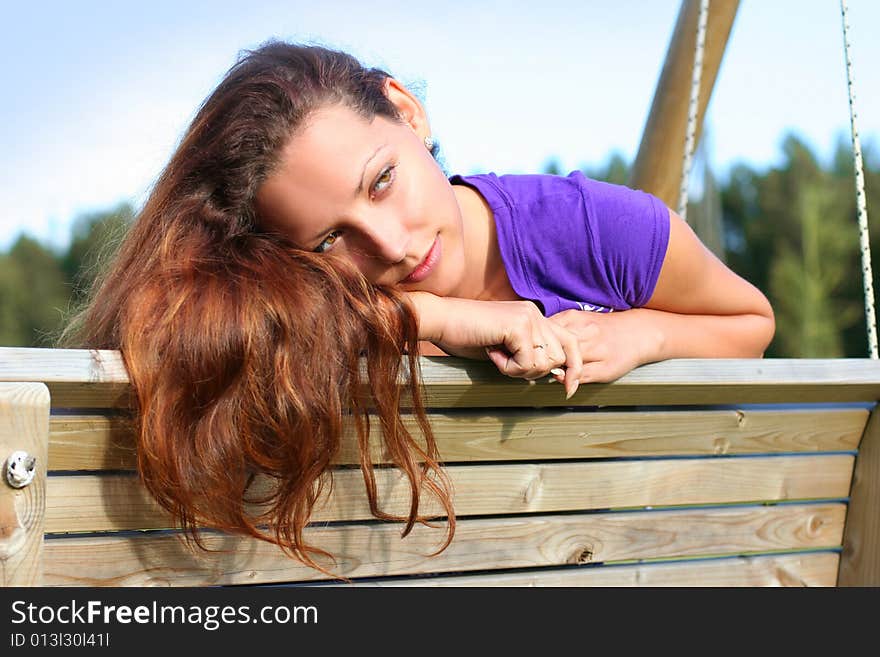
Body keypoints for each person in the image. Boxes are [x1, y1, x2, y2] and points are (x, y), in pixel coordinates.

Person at [64, 40, 775, 574]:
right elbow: (165, 331)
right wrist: (428, 320)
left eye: (381, 182)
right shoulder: (309, 317)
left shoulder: (594, 228)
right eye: (332, 237)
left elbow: (752, 322)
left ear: (408, 111)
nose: (393, 245)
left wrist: (640, 336)